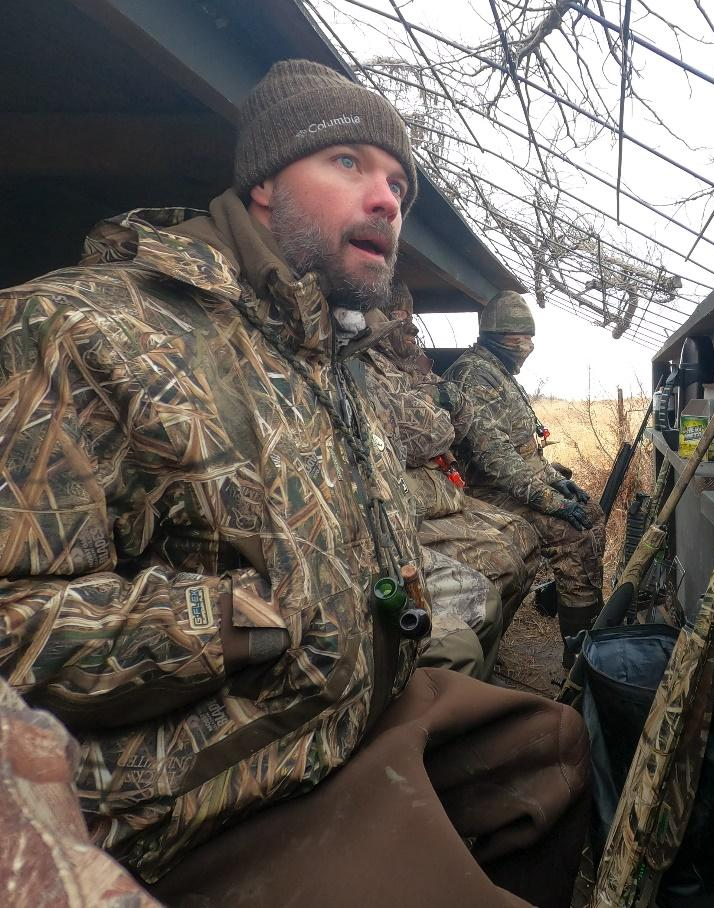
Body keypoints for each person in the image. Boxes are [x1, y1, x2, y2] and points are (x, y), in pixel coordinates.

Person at [0, 59, 587, 905]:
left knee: (553, 750)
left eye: (399, 183)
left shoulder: (325, 353)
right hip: (205, 798)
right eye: (348, 162)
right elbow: (14, 622)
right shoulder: (81, 328)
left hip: (348, 719)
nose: (387, 199)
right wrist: (249, 623)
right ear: (265, 184)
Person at [362, 283, 542, 676]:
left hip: (442, 492)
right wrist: (441, 414)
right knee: (500, 566)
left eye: (412, 320)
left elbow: (458, 419)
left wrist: (441, 410)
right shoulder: (367, 366)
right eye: (400, 319)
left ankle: (486, 657)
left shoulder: (408, 365)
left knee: (522, 537)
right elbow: (425, 432)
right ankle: (456, 669)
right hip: (413, 503)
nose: (412, 330)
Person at [444, 292, 607, 662]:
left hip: (512, 484)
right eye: (520, 337)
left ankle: (588, 623)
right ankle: (579, 657)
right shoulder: (474, 376)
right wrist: (552, 501)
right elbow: (496, 459)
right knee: (573, 534)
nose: (527, 346)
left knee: (591, 514)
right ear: (497, 336)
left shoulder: (498, 371)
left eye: (530, 337)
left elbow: (523, 450)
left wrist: (554, 479)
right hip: (485, 492)